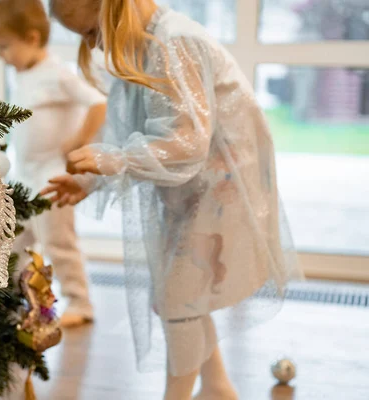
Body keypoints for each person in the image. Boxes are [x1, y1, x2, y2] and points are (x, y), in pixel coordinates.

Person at [42, 0, 301, 398]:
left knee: (180, 298)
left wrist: (114, 159)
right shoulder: (142, 48)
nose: (93, 46)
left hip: (221, 192)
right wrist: (91, 181)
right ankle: (217, 386)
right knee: (180, 294)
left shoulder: (173, 43)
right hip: (190, 193)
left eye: (93, 32)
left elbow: (186, 141)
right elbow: (127, 127)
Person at [0, 0, 107, 327]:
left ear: (33, 38)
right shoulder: (24, 75)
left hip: (52, 177)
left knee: (59, 243)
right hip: (25, 175)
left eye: (4, 47)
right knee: (15, 241)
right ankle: (13, 301)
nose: (1, 56)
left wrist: (79, 141)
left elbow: (98, 104)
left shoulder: (55, 73)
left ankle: (81, 303)